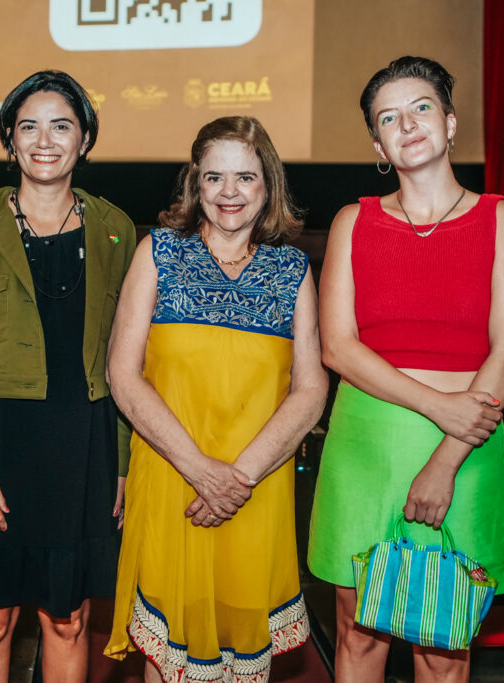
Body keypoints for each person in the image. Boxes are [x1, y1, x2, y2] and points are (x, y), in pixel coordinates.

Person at [308, 56, 504, 682]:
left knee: (442, 648)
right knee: (358, 635)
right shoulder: (354, 222)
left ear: (451, 122)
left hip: (465, 444)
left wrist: (444, 456)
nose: (407, 124)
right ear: (378, 144)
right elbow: (338, 347)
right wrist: (441, 406)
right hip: (367, 446)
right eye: (389, 117)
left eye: (421, 108)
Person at [104, 116, 327, 683]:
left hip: (255, 489)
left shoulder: (293, 271)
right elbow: (123, 376)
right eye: (214, 178)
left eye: (246, 178)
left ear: (268, 186)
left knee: (243, 650)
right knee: (170, 661)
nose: (230, 193)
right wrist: (201, 471)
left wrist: (238, 478)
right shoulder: (156, 253)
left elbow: (310, 390)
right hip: (174, 483)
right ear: (195, 185)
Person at [0, 70, 136, 683]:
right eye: (28, 126)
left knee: (69, 620)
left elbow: (133, 362)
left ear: (85, 139)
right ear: (9, 139)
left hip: (82, 452)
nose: (44, 140)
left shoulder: (117, 230)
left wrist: (126, 465)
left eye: (61, 125)